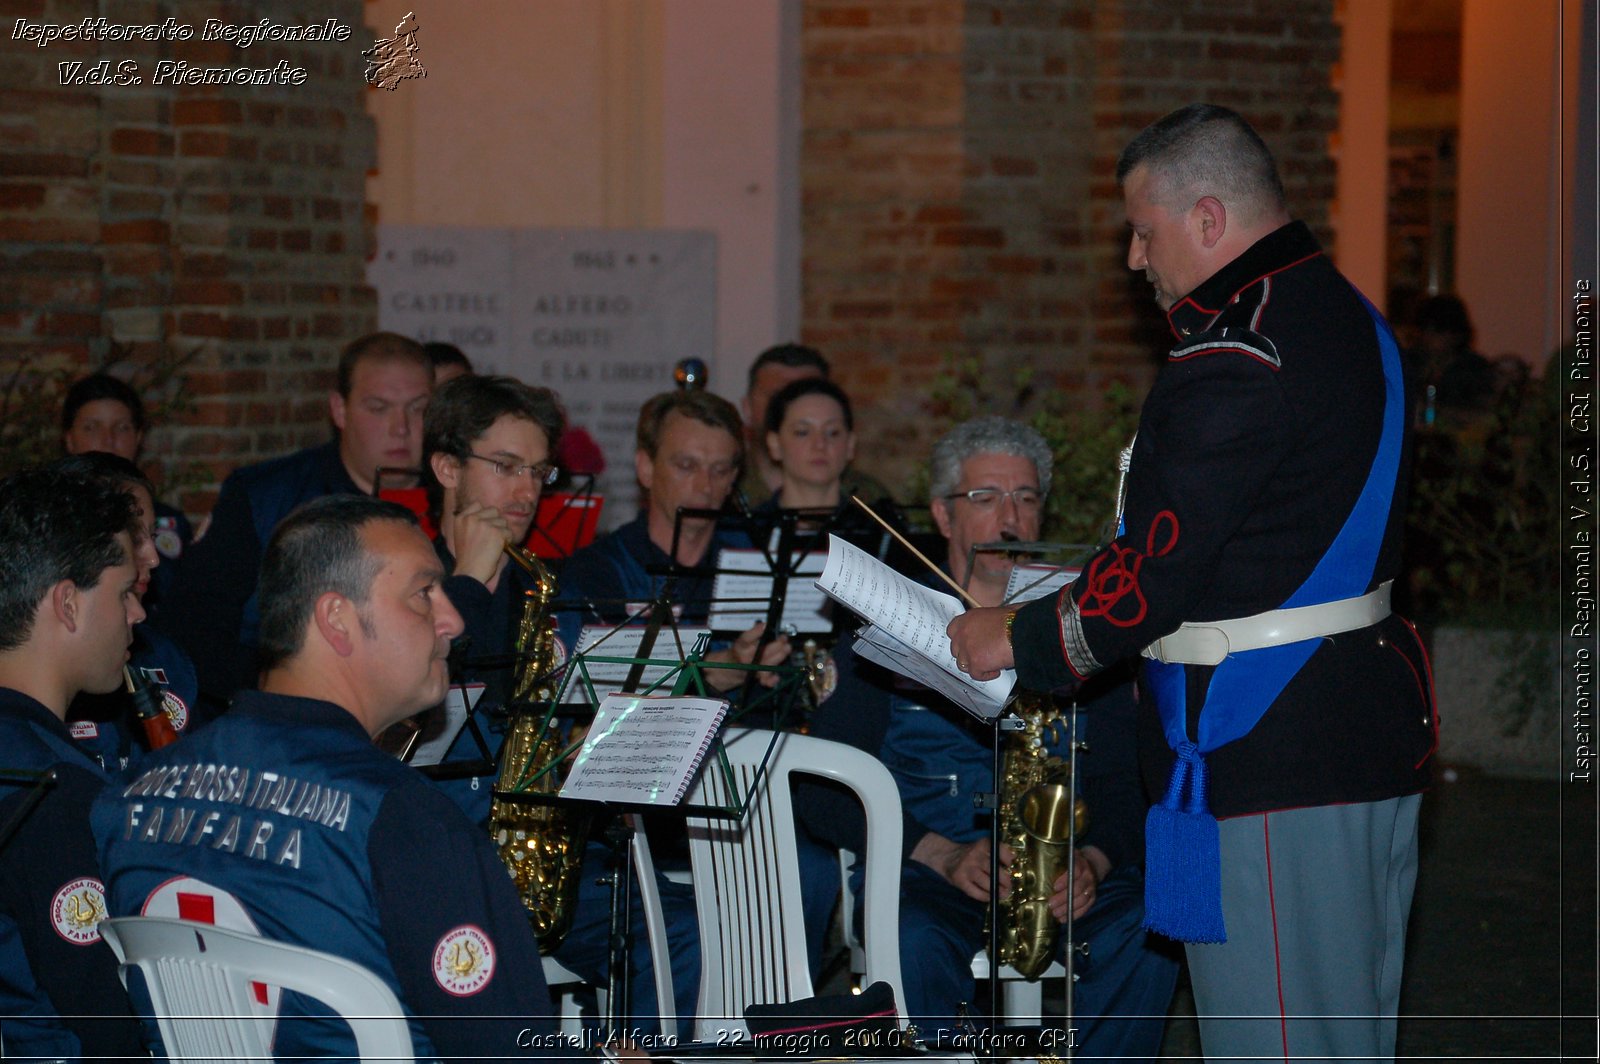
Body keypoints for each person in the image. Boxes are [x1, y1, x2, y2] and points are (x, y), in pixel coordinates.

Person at [948, 104, 1435, 1061]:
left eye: (1143, 229)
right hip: (1355, 722)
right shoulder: (1342, 312)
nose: (1135, 259)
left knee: (1282, 1042)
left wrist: (1015, 635)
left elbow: (1158, 572)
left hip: (1269, 742)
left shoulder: (1234, 356)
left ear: (1207, 220)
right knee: (1347, 1034)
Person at [92, 495, 574, 1060]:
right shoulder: (402, 822)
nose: (453, 619)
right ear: (337, 620)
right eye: (424, 593)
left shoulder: (127, 799)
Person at [798, 417, 1179, 1052]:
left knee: (1147, 930)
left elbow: (1131, 779)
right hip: (925, 874)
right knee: (913, 937)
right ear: (943, 517)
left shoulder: (1084, 629)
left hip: (1065, 876)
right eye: (986, 498)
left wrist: (1095, 859)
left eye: (1027, 498)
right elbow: (821, 793)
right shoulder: (886, 627)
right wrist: (938, 853)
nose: (1011, 519)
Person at [157, 332, 433, 709]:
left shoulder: (452, 497)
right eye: (379, 407)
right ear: (339, 410)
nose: (401, 427)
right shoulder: (264, 495)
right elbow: (195, 627)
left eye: (418, 408)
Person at [0, 463, 147, 1061]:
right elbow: (102, 1011)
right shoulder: (52, 790)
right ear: (67, 604)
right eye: (124, 592)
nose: (138, 613)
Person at [418, 373, 567, 819]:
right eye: (505, 466)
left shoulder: (543, 587)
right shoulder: (399, 585)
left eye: (538, 471)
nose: (528, 492)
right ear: (448, 468)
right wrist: (467, 579)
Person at [58, 453, 201, 773]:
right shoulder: (42, 664)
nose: (152, 558)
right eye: (134, 538)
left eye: (151, 536)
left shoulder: (164, 658)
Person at [61, 372, 193, 611]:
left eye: (121, 428)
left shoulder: (168, 523)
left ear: (139, 437)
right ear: (69, 439)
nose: (108, 440)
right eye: (91, 428)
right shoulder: (49, 519)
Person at [737, 343, 892, 508]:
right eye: (802, 431)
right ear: (748, 407)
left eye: (832, 432)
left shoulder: (868, 498)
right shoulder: (725, 485)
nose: (819, 444)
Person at [1406, 293, 1497, 425]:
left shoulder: (1474, 367)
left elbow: (1487, 416)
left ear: (1455, 334)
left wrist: (1437, 411)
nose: (1428, 336)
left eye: (1437, 330)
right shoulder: (1411, 361)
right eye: (1425, 329)